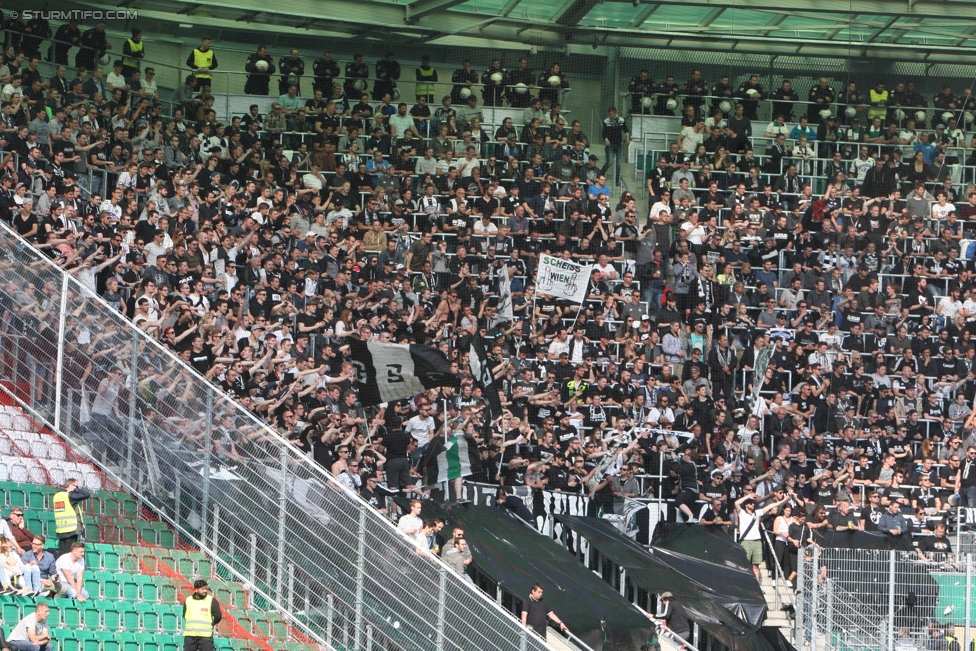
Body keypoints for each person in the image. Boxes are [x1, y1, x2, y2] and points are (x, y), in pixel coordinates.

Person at [734, 493, 788, 584]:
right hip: (746, 541)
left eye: (753, 503)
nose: (753, 504)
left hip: (757, 541)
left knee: (756, 565)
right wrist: (748, 496)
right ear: (746, 505)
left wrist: (784, 500)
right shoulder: (742, 513)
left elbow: (770, 506)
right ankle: (744, 584)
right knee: (745, 564)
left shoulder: (757, 512)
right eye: (751, 503)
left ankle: (756, 586)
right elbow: (736, 503)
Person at [52, 479, 90, 556]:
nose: (77, 488)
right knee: (69, 554)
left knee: (62, 553)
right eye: (76, 486)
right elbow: (86, 494)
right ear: (70, 485)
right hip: (71, 528)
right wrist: (76, 490)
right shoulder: (69, 496)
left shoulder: (57, 496)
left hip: (61, 529)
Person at [183, 579, 223, 651]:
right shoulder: (188, 600)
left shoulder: (211, 600)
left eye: (206, 589)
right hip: (190, 636)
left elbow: (218, 616)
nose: (205, 591)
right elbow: (185, 615)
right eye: (202, 589)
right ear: (196, 590)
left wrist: (211, 624)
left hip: (205, 636)